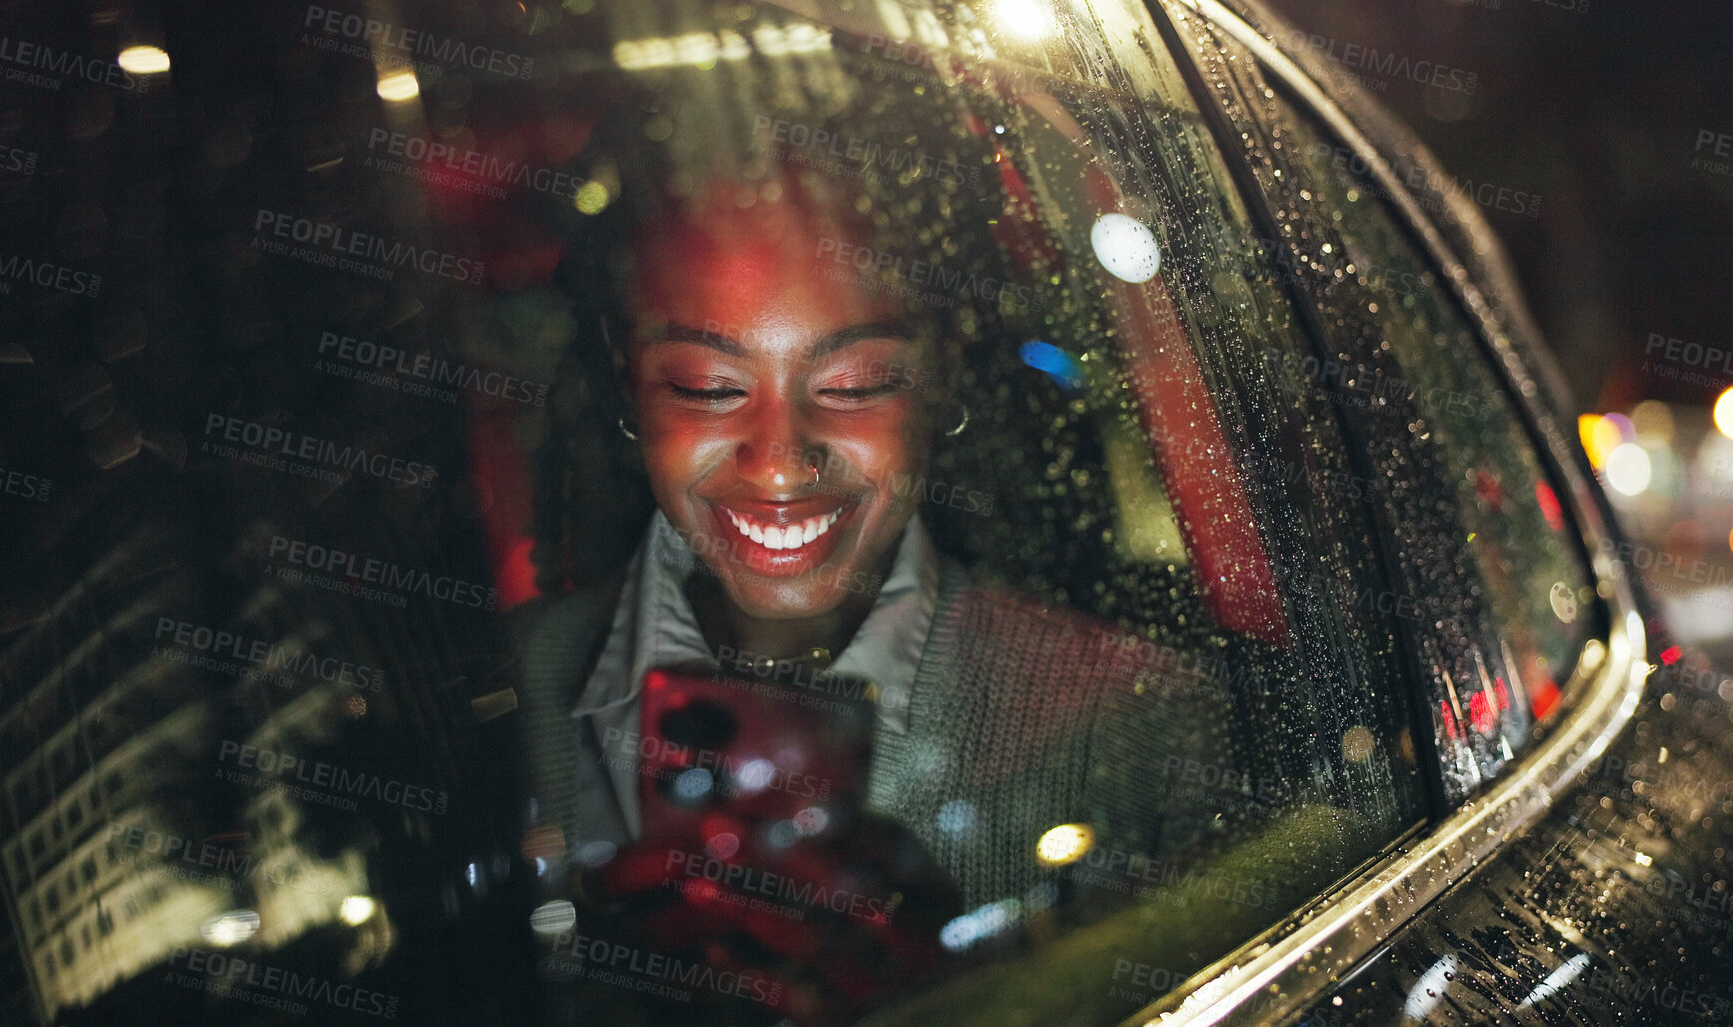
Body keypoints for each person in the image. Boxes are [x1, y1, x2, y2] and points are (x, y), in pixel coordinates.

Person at [516, 165, 1226, 1025]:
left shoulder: (1131, 720)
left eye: (853, 385)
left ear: (942, 382)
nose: (779, 461)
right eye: (706, 386)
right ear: (627, 379)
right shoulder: (505, 696)